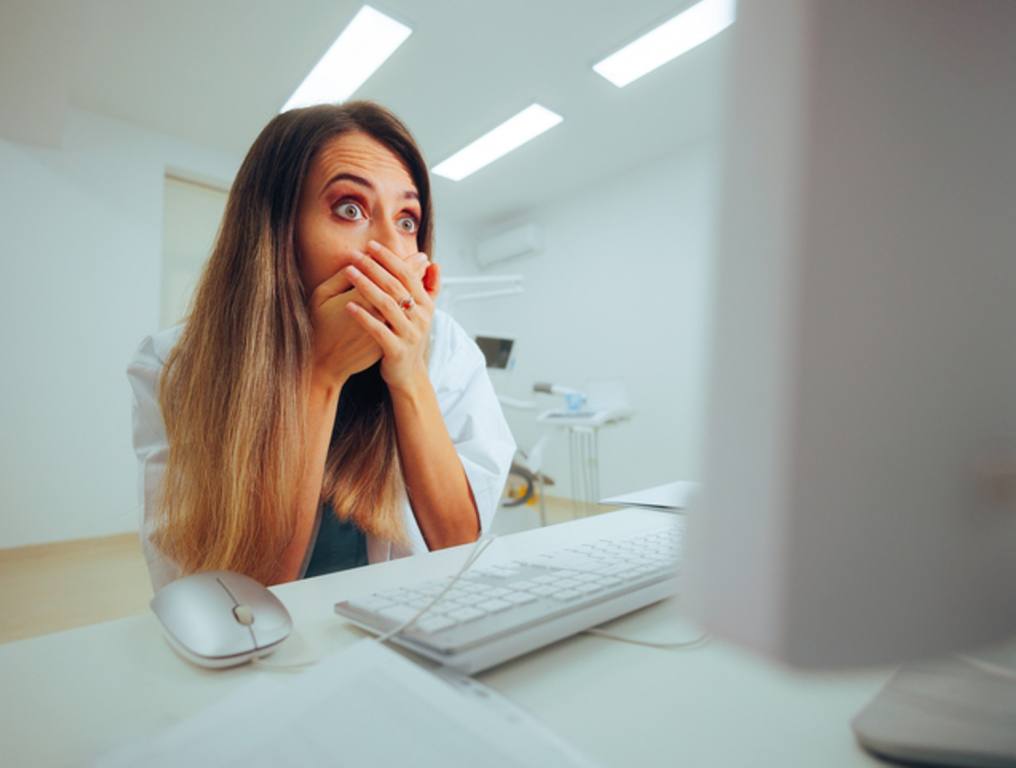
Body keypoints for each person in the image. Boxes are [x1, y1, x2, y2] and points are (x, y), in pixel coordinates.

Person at [127, 101, 516, 592]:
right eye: (350, 209)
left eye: (407, 220)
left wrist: (409, 375)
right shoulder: (175, 366)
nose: (393, 253)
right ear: (277, 232)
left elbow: (461, 547)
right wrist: (319, 375)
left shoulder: (447, 350)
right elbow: (237, 598)